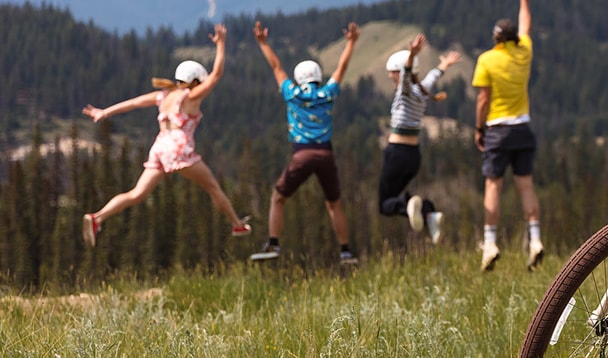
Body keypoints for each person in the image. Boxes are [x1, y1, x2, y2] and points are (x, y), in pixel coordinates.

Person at [81, 24, 250, 246]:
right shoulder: (191, 96)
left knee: (137, 194)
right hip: (179, 148)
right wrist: (221, 45)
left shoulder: (163, 96)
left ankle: (97, 217)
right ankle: (237, 224)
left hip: (159, 147)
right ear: (196, 81)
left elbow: (133, 103)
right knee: (212, 187)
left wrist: (104, 112)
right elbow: (217, 74)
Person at [250, 20, 360, 265]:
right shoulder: (328, 93)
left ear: (299, 78)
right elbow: (342, 67)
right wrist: (351, 43)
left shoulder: (293, 93)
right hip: (326, 155)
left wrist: (263, 43)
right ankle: (345, 251)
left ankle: (274, 243)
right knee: (334, 204)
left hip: (301, 155)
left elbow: (277, 67)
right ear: (319, 76)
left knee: (278, 197)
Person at [473, 0, 543, 271]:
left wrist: (479, 129)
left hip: (498, 131)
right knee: (526, 186)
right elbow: (525, 25)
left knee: (493, 186)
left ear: (496, 38)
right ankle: (536, 239)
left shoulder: (487, 60)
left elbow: (482, 99)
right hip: (523, 129)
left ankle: (489, 244)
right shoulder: (523, 52)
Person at [379, 33, 461, 245]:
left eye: (392, 74)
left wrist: (412, 55)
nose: (391, 78)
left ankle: (410, 208)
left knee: (384, 204)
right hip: (414, 156)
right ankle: (428, 213)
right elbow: (433, 76)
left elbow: (406, 77)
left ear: (400, 73)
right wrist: (445, 65)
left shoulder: (404, 92)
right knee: (396, 195)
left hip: (396, 152)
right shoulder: (422, 91)